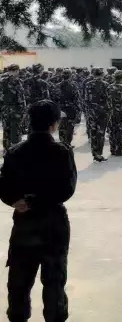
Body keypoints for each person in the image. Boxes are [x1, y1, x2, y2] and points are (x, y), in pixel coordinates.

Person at [0, 100, 77, 322]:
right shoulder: (61, 152)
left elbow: (3, 184)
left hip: (25, 222)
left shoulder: (15, 152)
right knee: (54, 282)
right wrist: (41, 199)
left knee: (19, 282)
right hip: (53, 223)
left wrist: (15, 200)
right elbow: (67, 189)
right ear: (54, 124)